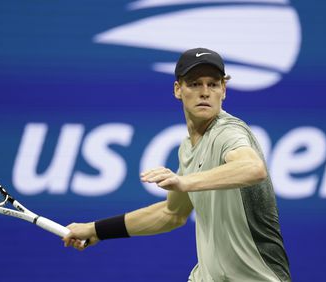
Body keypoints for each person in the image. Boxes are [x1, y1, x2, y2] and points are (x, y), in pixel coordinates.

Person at [62, 48, 291, 282]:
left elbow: (253, 168)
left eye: (212, 84)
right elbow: (171, 214)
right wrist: (97, 229)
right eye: (194, 84)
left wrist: (184, 181)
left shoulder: (228, 132)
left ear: (223, 90)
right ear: (178, 90)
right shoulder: (188, 147)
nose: (204, 92)